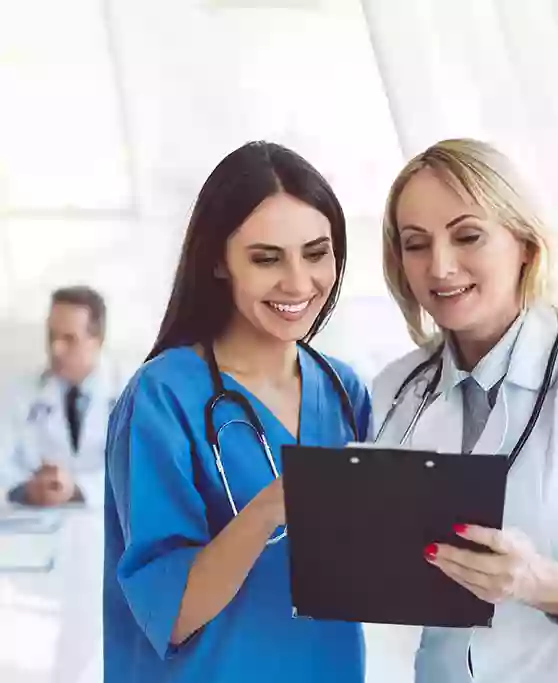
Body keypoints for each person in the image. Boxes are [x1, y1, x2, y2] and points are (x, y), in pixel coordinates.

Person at [103, 141, 371, 683]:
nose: (298, 282)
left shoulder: (344, 391)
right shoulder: (163, 397)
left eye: (316, 253)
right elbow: (170, 614)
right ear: (219, 263)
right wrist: (270, 508)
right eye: (266, 258)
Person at [372, 138, 558, 682]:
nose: (440, 267)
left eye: (467, 236)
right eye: (415, 244)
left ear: (524, 245)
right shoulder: (395, 390)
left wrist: (539, 582)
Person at [1, 285, 120, 508]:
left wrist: (76, 489)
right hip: (32, 526)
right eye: (51, 336)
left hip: (106, 526)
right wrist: (27, 489)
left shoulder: (129, 393)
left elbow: (143, 473)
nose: (55, 349)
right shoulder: (18, 393)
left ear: (98, 340)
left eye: (69, 338)